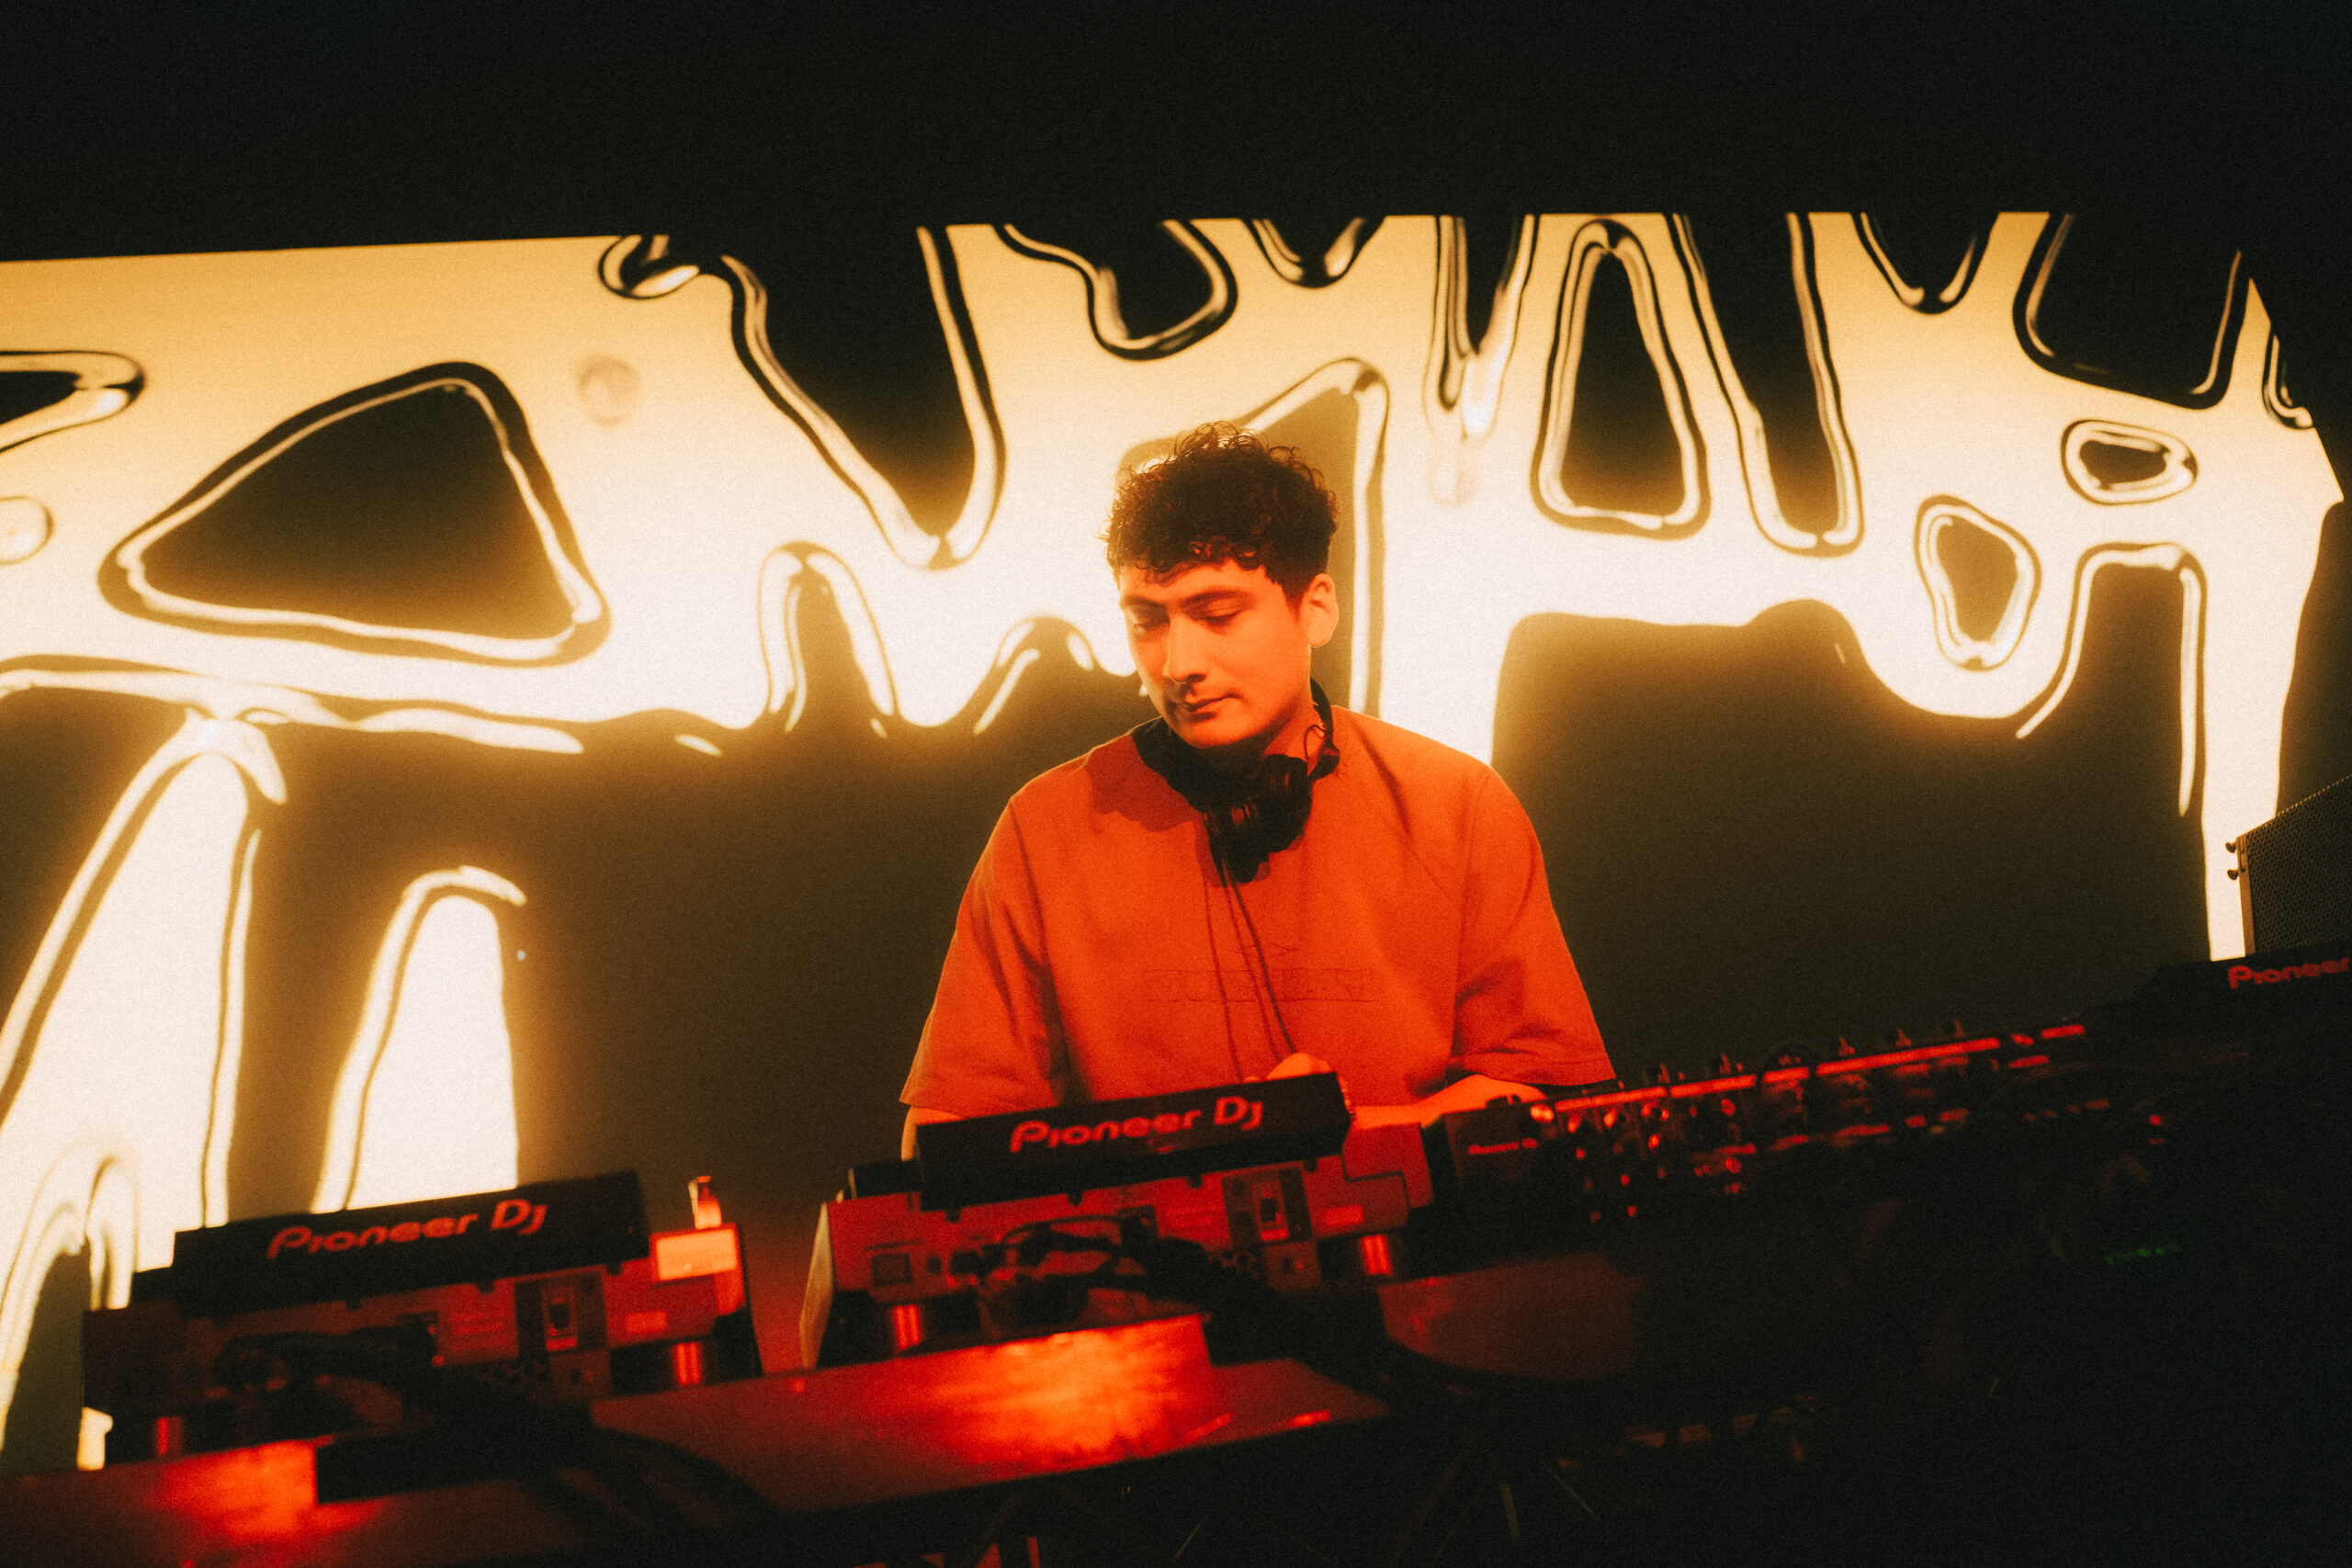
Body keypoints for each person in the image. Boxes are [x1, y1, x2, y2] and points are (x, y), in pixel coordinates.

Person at [899, 424, 1613, 1156]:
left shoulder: (1458, 805)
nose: (1178, 663)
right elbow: (946, 1140)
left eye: (1217, 615)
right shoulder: (1042, 830)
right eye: (1147, 621)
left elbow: (1550, 1097)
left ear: (1317, 608)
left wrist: (1346, 1136)